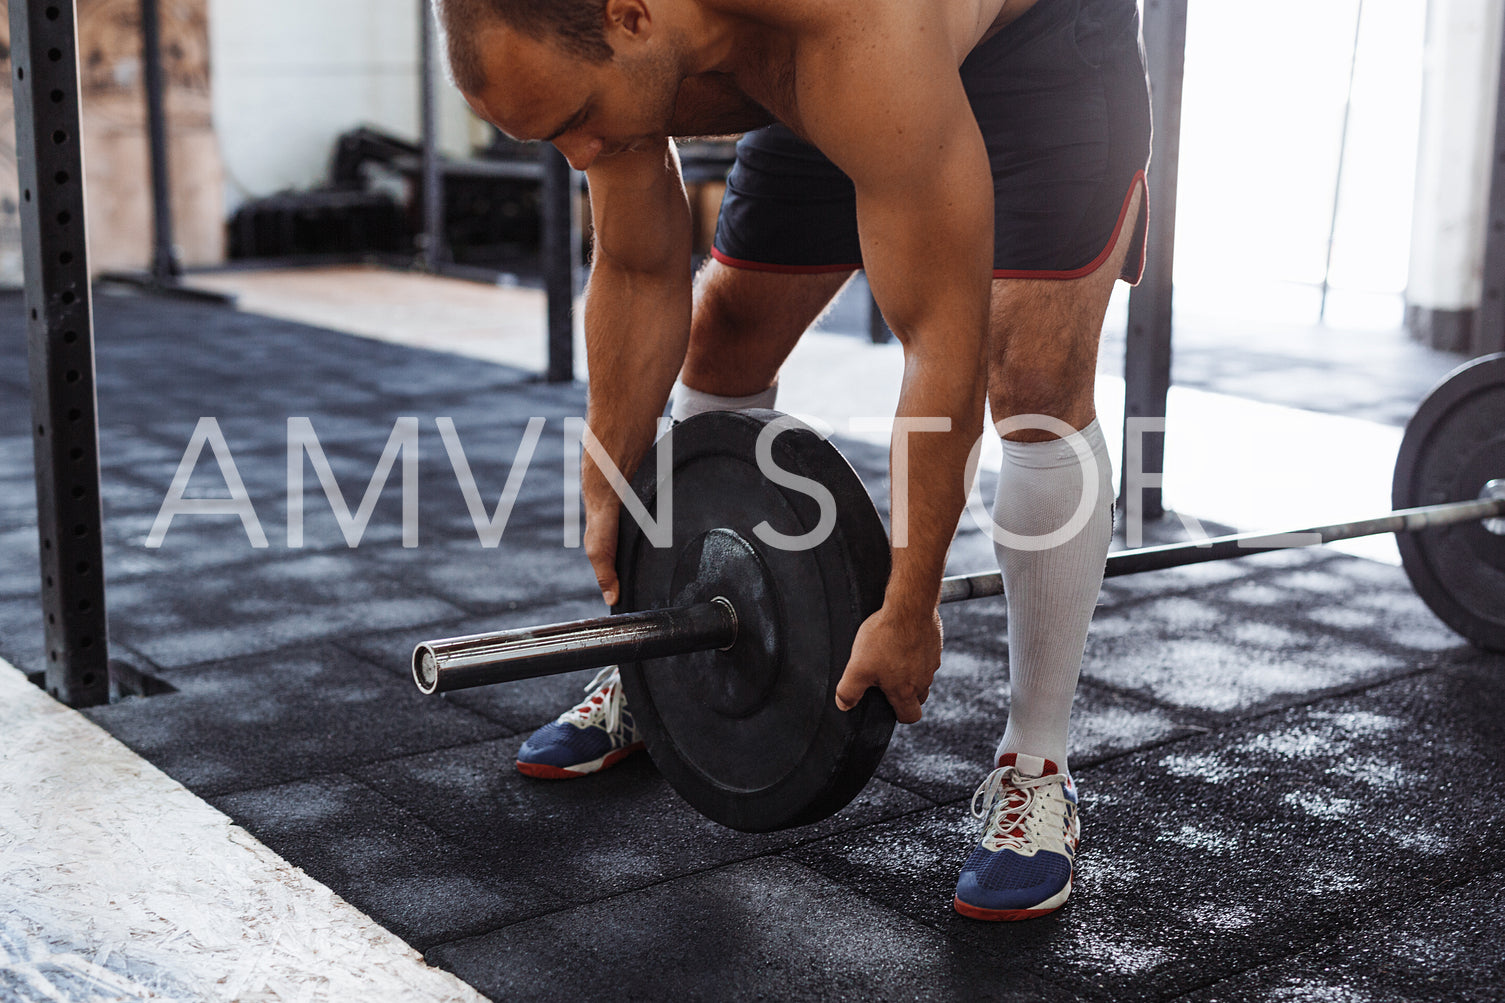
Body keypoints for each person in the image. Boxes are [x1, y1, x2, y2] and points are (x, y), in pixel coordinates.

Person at [436, 0, 1150, 921]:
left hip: (1039, 43)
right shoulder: (609, 46)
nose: (577, 151)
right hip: (803, 58)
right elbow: (638, 265)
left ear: (632, 17)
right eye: (549, 135)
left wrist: (908, 601)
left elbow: (940, 342)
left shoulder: (858, 38)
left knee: (1031, 382)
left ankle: (1034, 763)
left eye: (576, 119)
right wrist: (608, 484)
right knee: (724, 334)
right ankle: (663, 676)